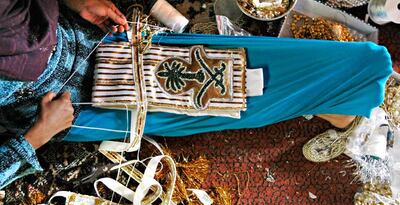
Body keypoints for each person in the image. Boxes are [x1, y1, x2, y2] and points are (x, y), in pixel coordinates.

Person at [0, 0, 392, 189]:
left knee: (240, 66)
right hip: (66, 105)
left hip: (90, 38)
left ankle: (345, 96)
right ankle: (338, 109)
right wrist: (37, 135)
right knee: (222, 102)